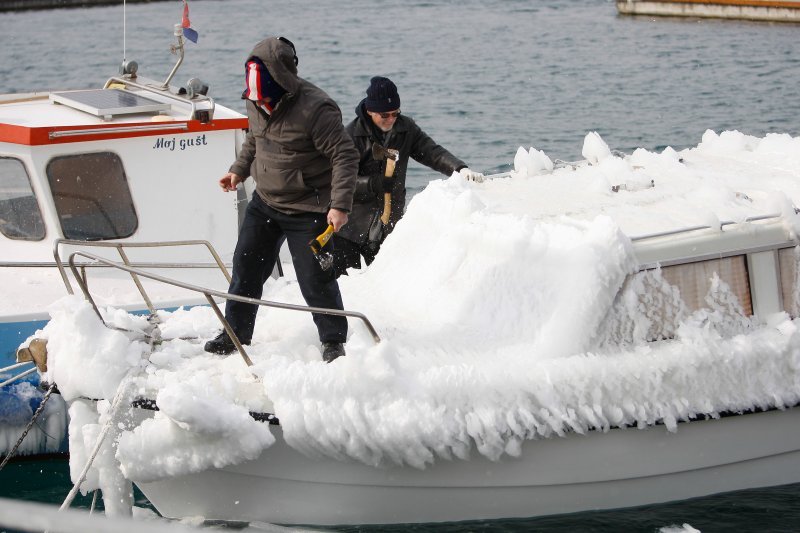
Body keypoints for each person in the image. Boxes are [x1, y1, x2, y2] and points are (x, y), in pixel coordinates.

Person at [204, 36, 358, 363]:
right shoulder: (253, 100)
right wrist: (238, 171)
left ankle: (333, 341)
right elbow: (254, 139)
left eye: (265, 98)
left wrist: (340, 205)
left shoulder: (317, 108)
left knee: (315, 278)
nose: (259, 103)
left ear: (283, 82)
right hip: (266, 202)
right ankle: (236, 333)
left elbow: (345, 156)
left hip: (310, 207)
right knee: (245, 266)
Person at [332, 76, 483, 273]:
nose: (391, 119)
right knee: (344, 286)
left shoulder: (406, 129)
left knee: (390, 281)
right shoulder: (350, 135)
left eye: (395, 113)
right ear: (370, 111)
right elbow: (336, 180)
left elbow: (432, 152)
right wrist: (371, 184)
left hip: (388, 226)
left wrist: (460, 169)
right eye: (385, 115)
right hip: (350, 227)